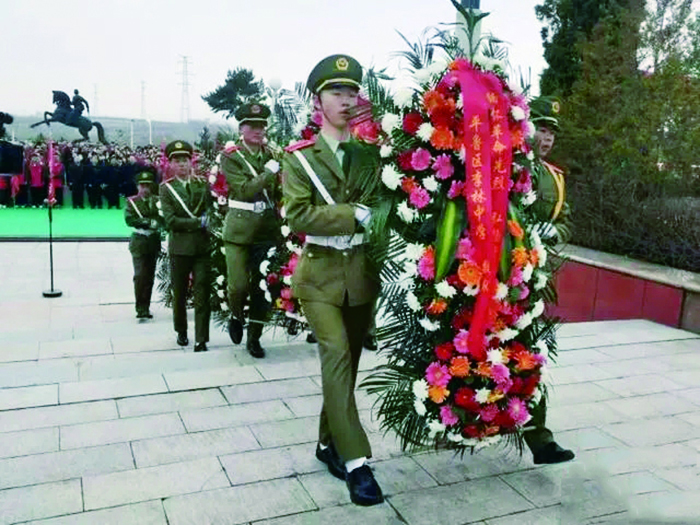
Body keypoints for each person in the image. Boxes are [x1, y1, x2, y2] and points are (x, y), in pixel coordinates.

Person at [282, 54, 384, 506]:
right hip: (319, 276)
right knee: (337, 356)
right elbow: (298, 214)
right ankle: (357, 464)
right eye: (335, 92)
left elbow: (386, 206)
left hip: (360, 275)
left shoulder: (371, 155)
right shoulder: (299, 159)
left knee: (348, 369)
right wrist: (351, 214)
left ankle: (327, 445)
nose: (345, 100)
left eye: (351, 92)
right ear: (317, 100)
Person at [523, 96, 575, 465]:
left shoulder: (555, 177)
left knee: (530, 353)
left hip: (533, 277)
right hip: (493, 271)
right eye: (541, 128)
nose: (547, 137)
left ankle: (539, 439)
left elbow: (566, 221)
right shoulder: (508, 166)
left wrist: (554, 231)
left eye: (552, 132)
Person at [221, 102, 281, 358]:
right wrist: (269, 172)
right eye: (252, 126)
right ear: (242, 128)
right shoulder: (232, 156)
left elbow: (278, 191)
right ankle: (235, 315)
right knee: (237, 286)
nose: (258, 130)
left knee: (262, 287)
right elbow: (244, 189)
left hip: (267, 229)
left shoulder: (273, 154)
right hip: (239, 231)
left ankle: (254, 337)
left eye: (261, 126)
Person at [159, 140, 212, 353]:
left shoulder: (202, 183)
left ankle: (201, 338)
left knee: (202, 293)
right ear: (170, 164)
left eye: (185, 160)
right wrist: (197, 223)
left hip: (202, 247)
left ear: (192, 162)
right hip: (180, 248)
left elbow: (209, 208)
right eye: (177, 161)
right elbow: (170, 221)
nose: (182, 164)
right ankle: (181, 330)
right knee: (179, 294)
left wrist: (208, 221)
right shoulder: (166, 189)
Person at [125, 170, 162, 319]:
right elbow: (130, 220)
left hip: (153, 241)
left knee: (150, 276)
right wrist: (149, 222)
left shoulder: (157, 200)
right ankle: (140, 307)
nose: (145, 189)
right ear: (137, 186)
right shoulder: (131, 202)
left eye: (147, 186)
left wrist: (156, 223)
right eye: (142, 186)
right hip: (139, 241)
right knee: (140, 275)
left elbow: (162, 217)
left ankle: (146, 307)